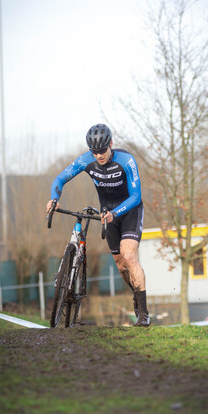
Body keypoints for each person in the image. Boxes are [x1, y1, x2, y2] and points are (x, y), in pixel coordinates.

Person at [46, 123, 150, 327]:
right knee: (121, 264)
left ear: (111, 144)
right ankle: (136, 295)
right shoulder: (86, 160)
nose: (99, 155)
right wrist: (54, 198)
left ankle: (143, 313)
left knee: (128, 255)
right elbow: (60, 179)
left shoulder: (126, 161)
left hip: (129, 211)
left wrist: (116, 213)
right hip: (106, 215)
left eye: (102, 150)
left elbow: (136, 196)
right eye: (95, 152)